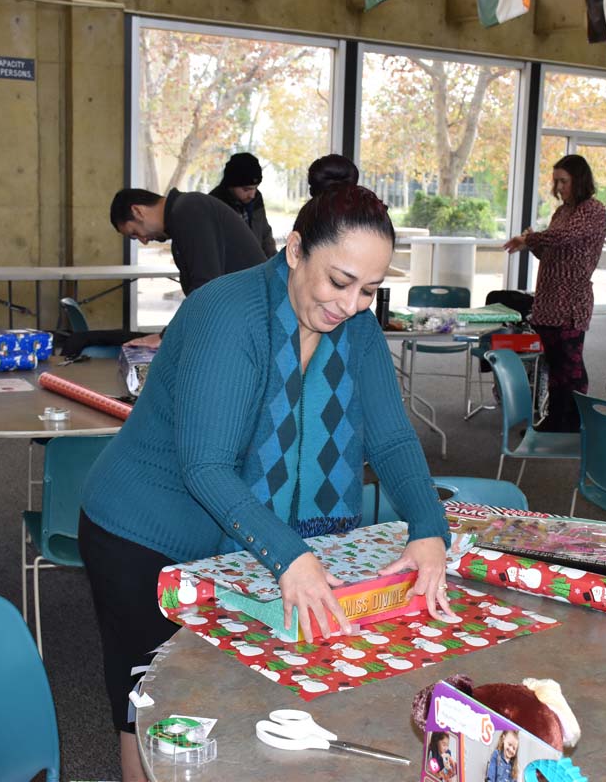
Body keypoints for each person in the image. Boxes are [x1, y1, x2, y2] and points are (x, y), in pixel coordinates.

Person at [78, 182, 454, 781]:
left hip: (243, 538)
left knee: (241, 705)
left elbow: (391, 439)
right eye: (339, 281)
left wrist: (430, 527)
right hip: (146, 534)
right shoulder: (227, 314)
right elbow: (206, 467)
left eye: (370, 289)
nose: (352, 304)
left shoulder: (353, 325)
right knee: (151, 711)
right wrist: (290, 555)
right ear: (296, 249)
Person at [62, 186, 267, 356]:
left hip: (254, 325)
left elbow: (204, 288)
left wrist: (165, 337)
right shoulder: (183, 217)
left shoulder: (189, 209)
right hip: (243, 323)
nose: (143, 240)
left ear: (138, 211)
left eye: (135, 233)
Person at [503, 154, 606, 432]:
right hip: (548, 301)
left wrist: (531, 239)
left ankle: (575, 420)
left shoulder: (593, 210)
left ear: (579, 180)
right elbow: (552, 252)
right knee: (555, 366)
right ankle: (554, 418)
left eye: (564, 181)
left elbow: (566, 237)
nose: (559, 187)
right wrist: (532, 244)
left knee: (571, 365)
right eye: (556, 182)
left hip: (571, 301)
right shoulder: (561, 212)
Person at [209, 152, 278, 259]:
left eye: (255, 188)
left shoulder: (256, 199)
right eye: (246, 189)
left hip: (257, 266)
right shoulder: (215, 204)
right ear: (230, 185)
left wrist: (273, 262)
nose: (252, 195)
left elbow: (265, 234)